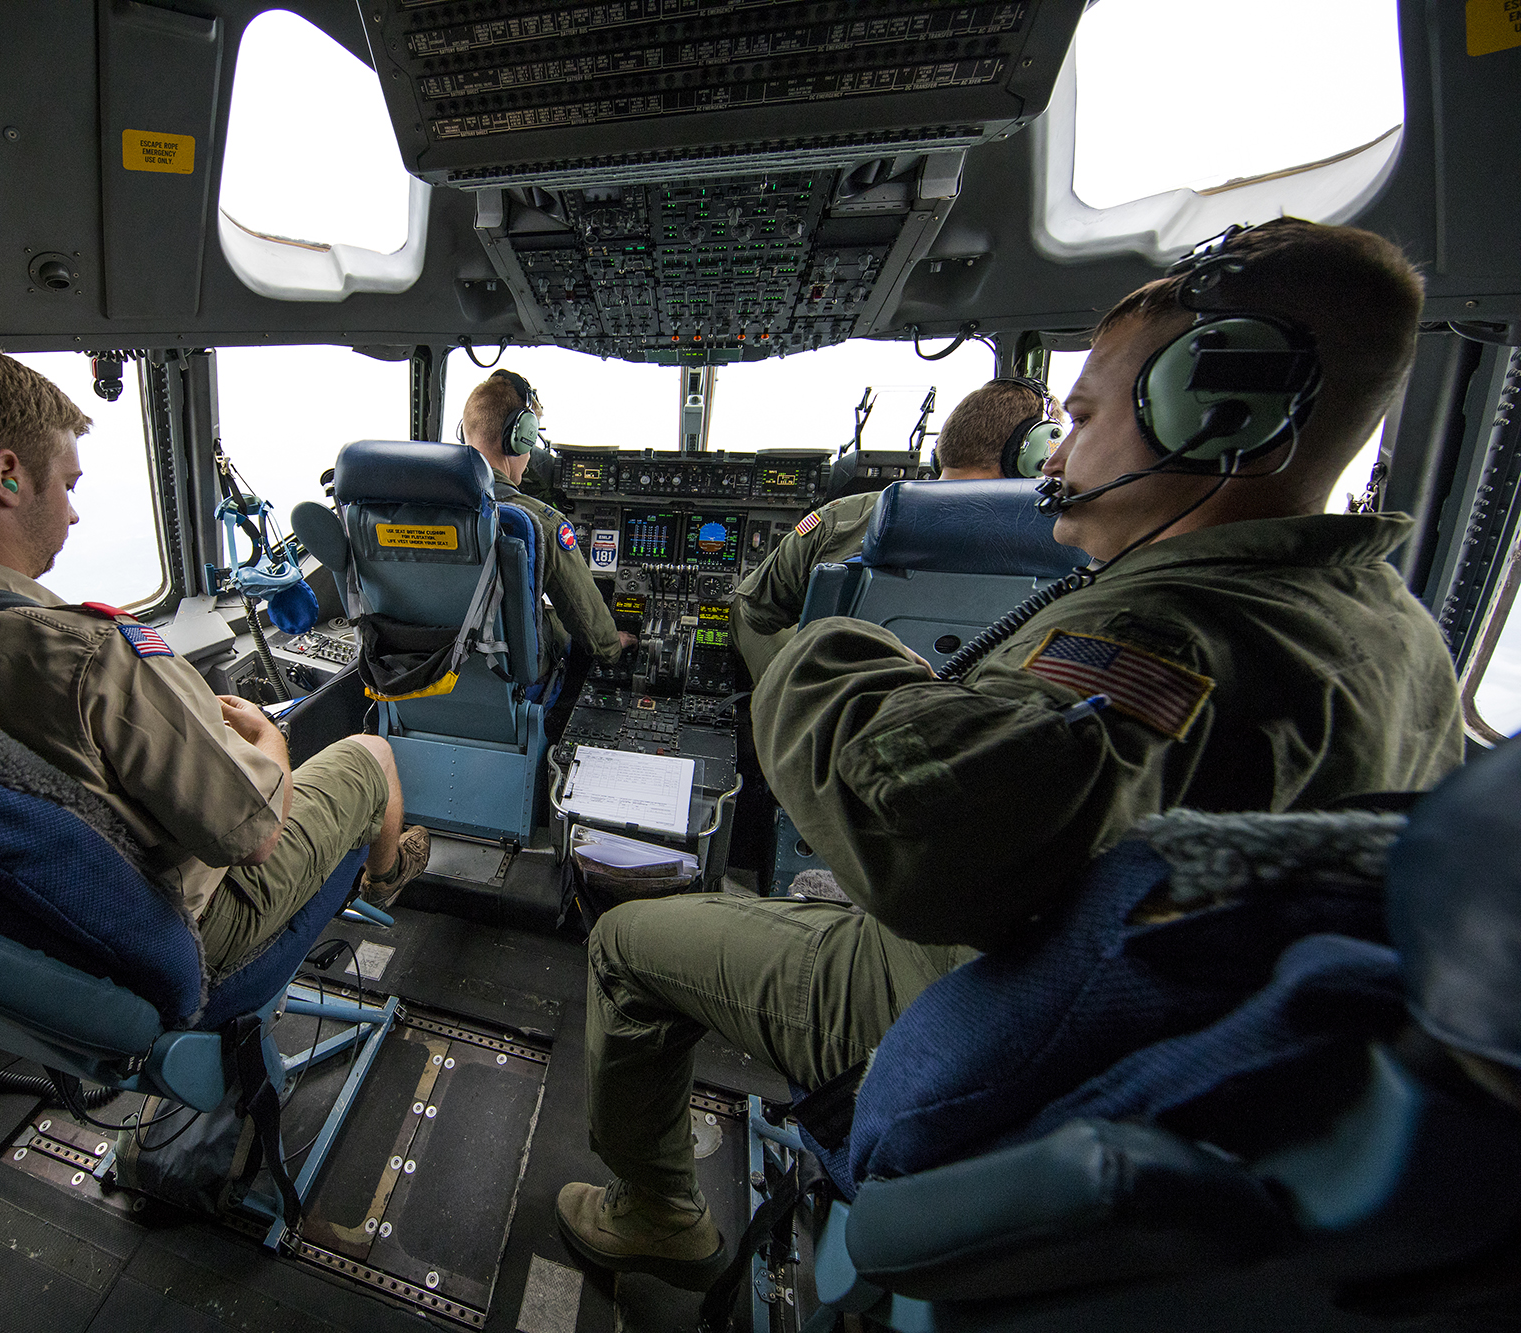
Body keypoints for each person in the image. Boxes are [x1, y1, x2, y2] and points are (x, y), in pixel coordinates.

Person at [556, 218, 1466, 1289]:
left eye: (1081, 414)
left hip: (984, 1008)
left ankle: (655, 1209)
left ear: (1215, 411)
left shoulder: (1161, 636)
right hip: (1176, 1065)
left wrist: (826, 646)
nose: (1061, 453)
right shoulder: (1396, 631)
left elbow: (915, 843)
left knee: (627, 945)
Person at [0, 332, 429, 976]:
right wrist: (269, 739)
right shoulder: (90, 657)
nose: (72, 514)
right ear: (6, 475)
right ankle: (385, 878)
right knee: (371, 755)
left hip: (1, 947)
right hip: (175, 937)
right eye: (67, 485)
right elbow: (255, 833)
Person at [731, 379, 1066, 681]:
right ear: (1033, 455)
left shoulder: (847, 517)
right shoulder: (1069, 542)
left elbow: (759, 613)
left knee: (742, 609)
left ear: (947, 445)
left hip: (840, 710)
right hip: (980, 715)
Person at [459, 370, 636, 666]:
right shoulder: (538, 522)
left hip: (418, 670)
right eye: (531, 441)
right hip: (501, 674)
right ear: (518, 439)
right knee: (560, 630)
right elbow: (596, 636)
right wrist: (613, 644)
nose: (530, 457)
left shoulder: (408, 506)